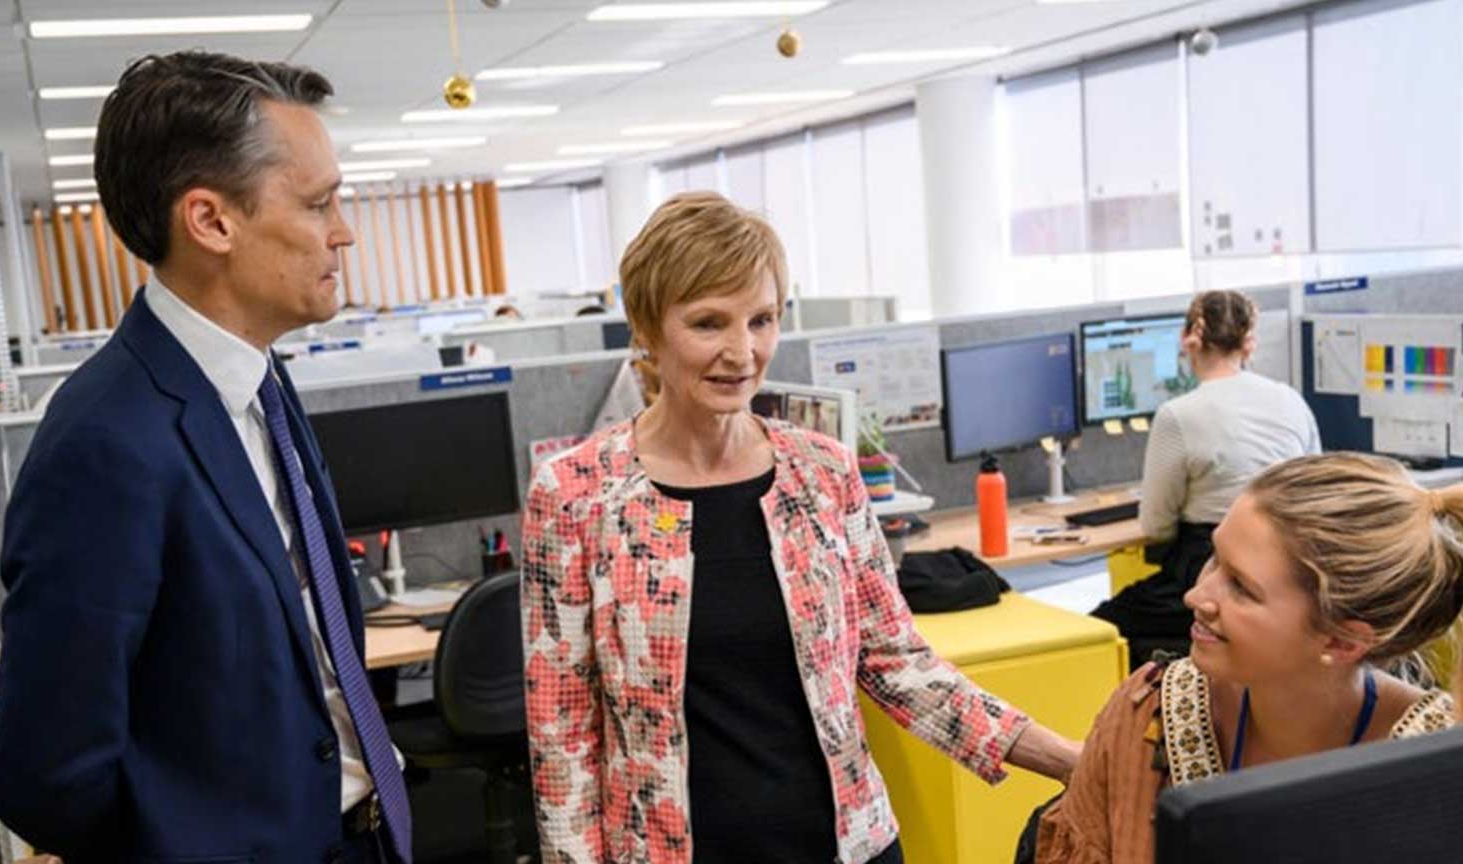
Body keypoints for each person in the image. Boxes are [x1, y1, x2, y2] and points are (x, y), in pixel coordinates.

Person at [521, 192, 1081, 864]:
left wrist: (1068, 759)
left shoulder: (821, 473)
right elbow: (562, 736)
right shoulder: (578, 495)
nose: (743, 351)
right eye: (708, 323)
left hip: (847, 846)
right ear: (647, 326)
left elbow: (897, 662)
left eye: (762, 320)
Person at [0, 52, 411, 864]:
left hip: (355, 833)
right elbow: (43, 770)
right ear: (211, 221)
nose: (344, 230)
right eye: (319, 204)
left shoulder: (259, 379)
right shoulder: (106, 442)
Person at [1036, 453, 1460, 864]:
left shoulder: (1439, 769)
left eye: (1240, 587)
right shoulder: (1149, 712)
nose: (1195, 596)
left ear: (1342, 643)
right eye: (1214, 559)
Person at [1093, 290, 1320, 668]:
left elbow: (1156, 525)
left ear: (1188, 340)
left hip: (1212, 568)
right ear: (1250, 342)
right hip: (1290, 569)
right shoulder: (1289, 399)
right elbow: (1315, 489)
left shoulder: (1179, 414)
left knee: (1099, 629)